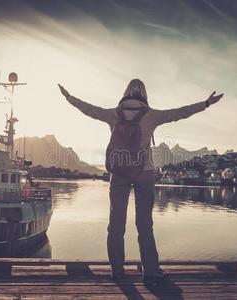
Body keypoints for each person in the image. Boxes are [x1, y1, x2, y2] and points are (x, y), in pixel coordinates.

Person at [58, 79, 223, 284]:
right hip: (144, 174)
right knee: (145, 225)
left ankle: (117, 271)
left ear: (125, 92)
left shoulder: (113, 113)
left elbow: (89, 109)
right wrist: (206, 104)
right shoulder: (152, 115)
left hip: (118, 174)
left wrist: (69, 97)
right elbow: (180, 112)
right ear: (144, 94)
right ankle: (151, 271)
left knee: (115, 225)